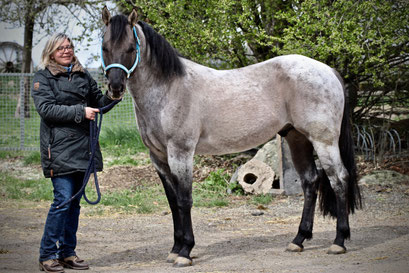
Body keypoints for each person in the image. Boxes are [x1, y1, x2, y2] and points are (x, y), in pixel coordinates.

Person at [32, 33, 114, 273]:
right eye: (61, 48)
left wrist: (113, 95)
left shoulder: (82, 75)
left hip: (83, 149)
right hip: (58, 149)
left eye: (69, 47)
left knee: (74, 204)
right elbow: (46, 109)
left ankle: (67, 252)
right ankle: (47, 255)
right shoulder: (43, 77)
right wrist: (81, 111)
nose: (67, 51)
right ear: (51, 53)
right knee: (62, 201)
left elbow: (99, 103)